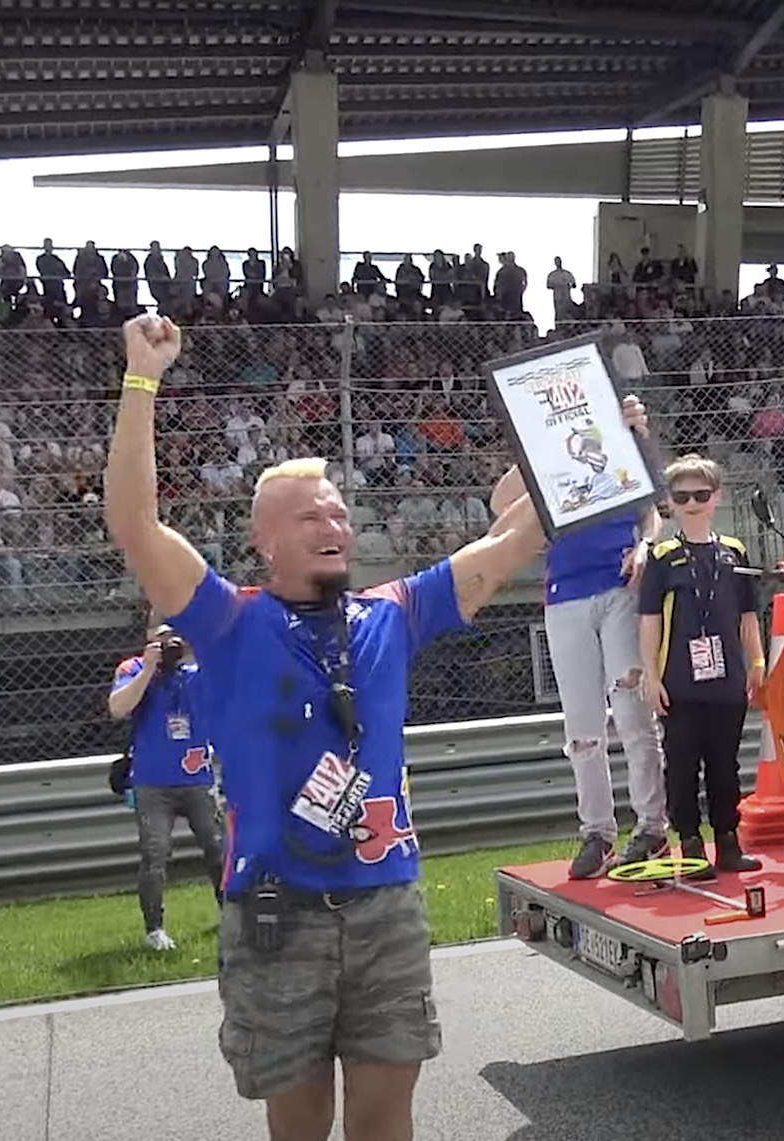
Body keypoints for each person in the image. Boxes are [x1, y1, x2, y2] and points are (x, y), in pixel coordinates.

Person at [102, 314, 640, 1141]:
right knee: (300, 1119)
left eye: (340, 513)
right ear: (263, 539)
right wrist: (142, 379)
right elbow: (136, 525)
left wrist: (593, 439)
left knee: (387, 1119)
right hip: (277, 911)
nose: (334, 525)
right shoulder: (227, 622)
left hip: (385, 903)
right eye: (311, 516)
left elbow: (510, 539)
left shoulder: (392, 613)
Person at [637, 455, 766, 880]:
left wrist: (757, 661)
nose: (692, 503)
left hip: (727, 680)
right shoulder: (662, 556)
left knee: (725, 764)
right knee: (682, 765)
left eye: (701, 494)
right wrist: (651, 676)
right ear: (669, 504)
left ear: (716, 499)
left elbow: (748, 615)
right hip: (679, 683)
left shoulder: (734, 552)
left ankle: (728, 841)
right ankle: (690, 845)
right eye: (682, 496)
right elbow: (650, 620)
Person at [541, 486, 670, 880]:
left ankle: (652, 827)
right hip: (565, 596)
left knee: (634, 715)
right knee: (582, 726)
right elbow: (502, 501)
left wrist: (646, 544)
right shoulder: (546, 454)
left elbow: (650, 508)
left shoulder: (616, 446)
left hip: (619, 586)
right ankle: (597, 833)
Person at [107, 620, 224, 951]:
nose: (171, 644)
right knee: (154, 852)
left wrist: (195, 650)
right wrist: (150, 668)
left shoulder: (197, 670)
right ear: (149, 639)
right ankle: (154, 929)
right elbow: (118, 708)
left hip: (197, 778)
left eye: (176, 637)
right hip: (151, 780)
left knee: (217, 847)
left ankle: (230, 914)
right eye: (163, 637)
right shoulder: (133, 669)